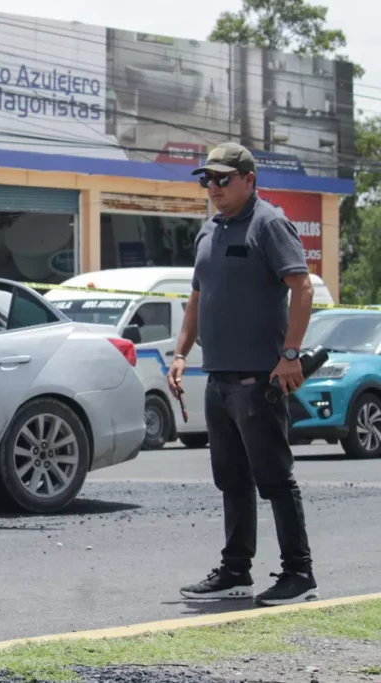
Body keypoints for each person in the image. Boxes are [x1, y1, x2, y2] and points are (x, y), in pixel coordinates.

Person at [169, 142, 318, 607]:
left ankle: (299, 573)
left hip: (259, 377)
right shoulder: (208, 230)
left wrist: (290, 354)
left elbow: (303, 287)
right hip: (218, 376)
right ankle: (236, 571)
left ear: (249, 180)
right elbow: (197, 297)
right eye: (207, 180)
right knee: (231, 478)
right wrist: (180, 353)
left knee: (273, 477)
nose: (213, 187)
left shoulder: (269, 224)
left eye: (222, 179)